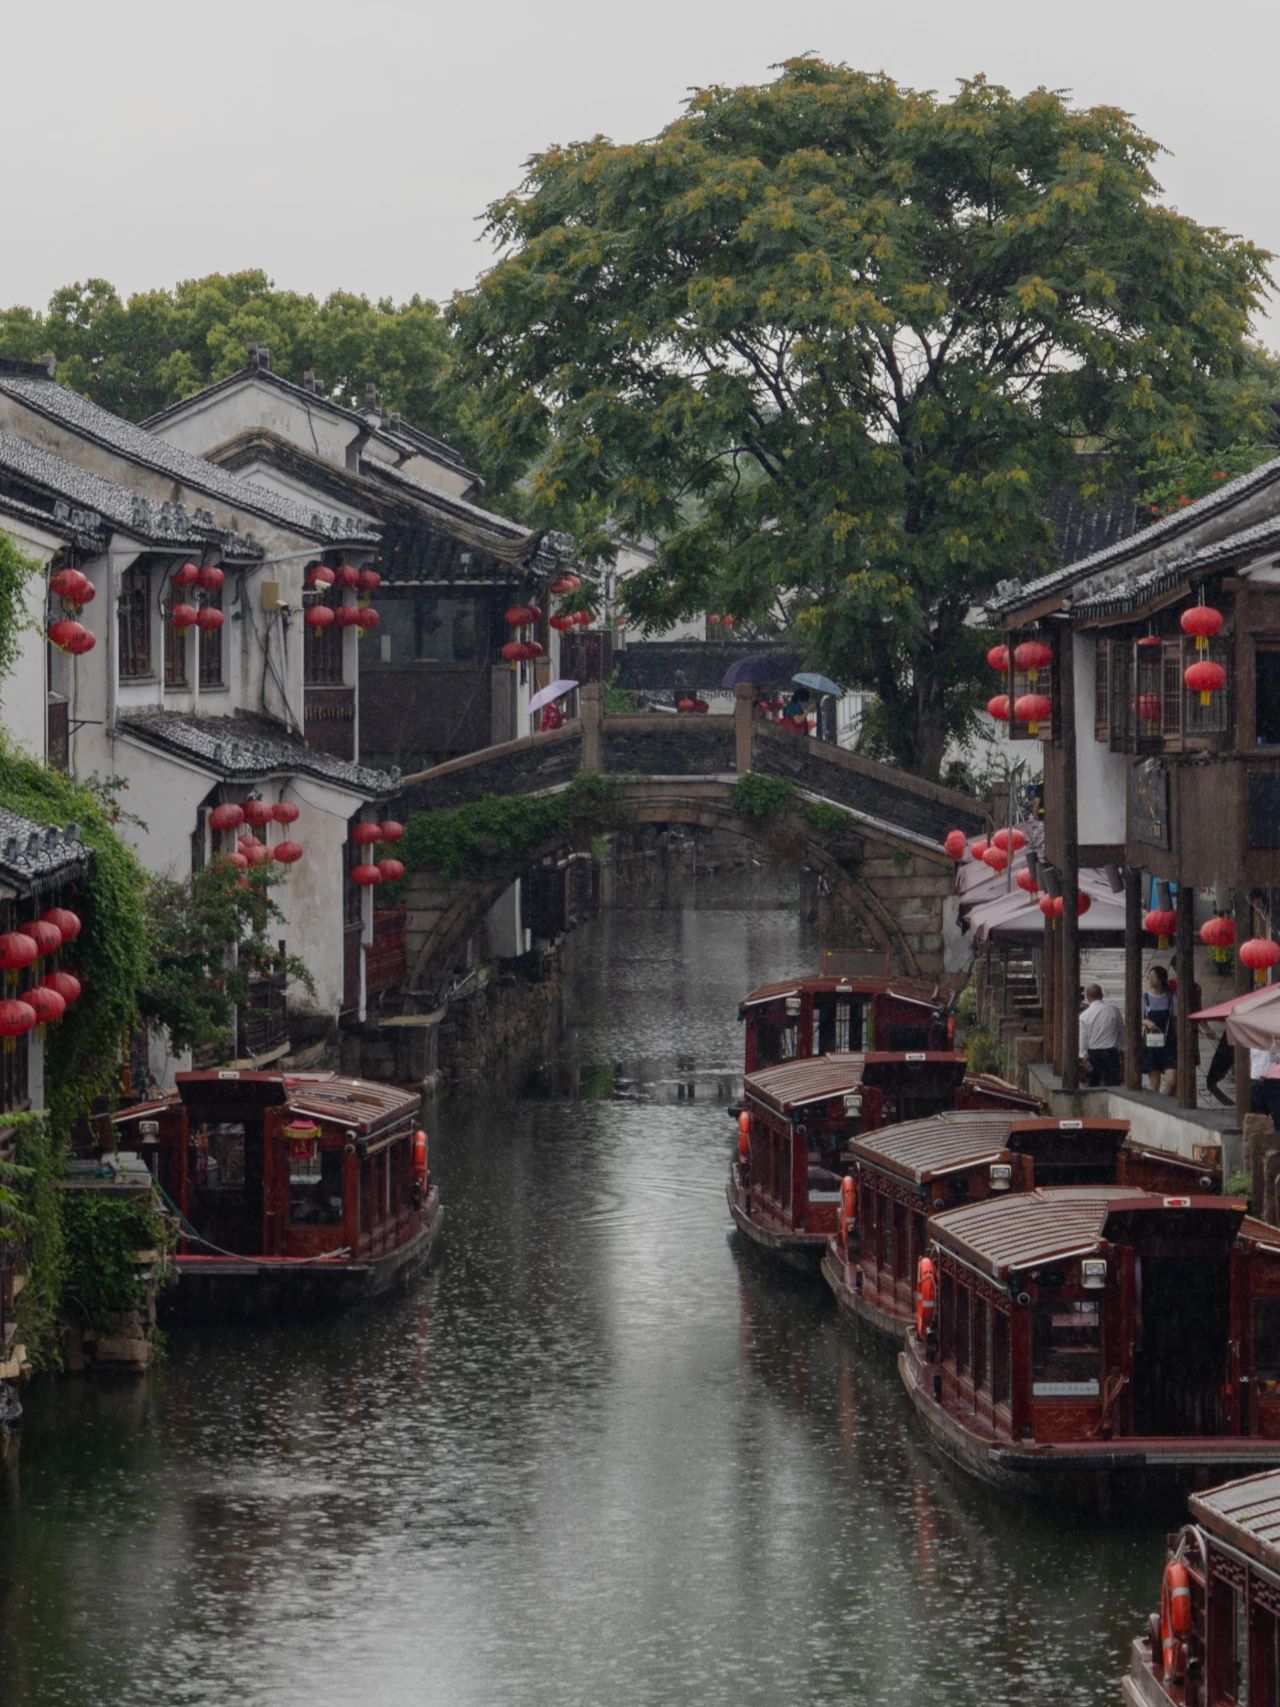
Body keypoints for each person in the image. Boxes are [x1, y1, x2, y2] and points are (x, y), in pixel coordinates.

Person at [1141, 964, 1177, 1096]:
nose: (1150, 980)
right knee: (1154, 1083)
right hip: (1152, 1043)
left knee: (1172, 1079)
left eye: (1153, 977)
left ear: (1161, 979)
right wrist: (1147, 1022)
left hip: (1168, 1042)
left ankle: (1162, 1102)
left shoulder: (1171, 998)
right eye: (1148, 977)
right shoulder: (1145, 999)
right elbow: (1138, 1018)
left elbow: (1175, 1020)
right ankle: (1156, 1106)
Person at [1078, 984, 1124, 1086]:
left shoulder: (1084, 1016)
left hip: (1094, 1054)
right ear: (1102, 995)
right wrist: (1121, 1048)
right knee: (1113, 1085)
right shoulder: (1113, 1010)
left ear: (1088, 997)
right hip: (1111, 1053)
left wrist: (1084, 1058)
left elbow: (1083, 1039)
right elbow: (1121, 1030)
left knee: (1093, 1085)